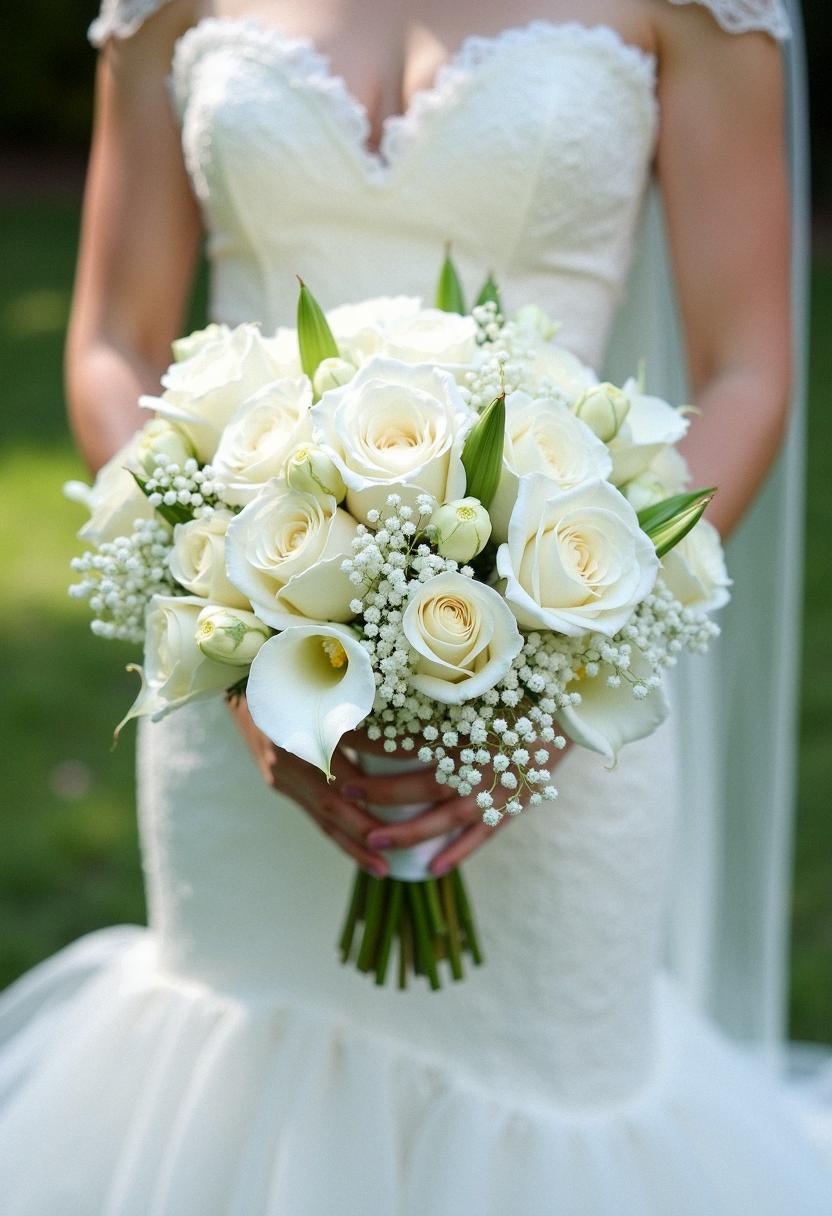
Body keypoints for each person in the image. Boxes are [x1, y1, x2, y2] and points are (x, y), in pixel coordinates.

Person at [0, 1, 828, 1211]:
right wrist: (233, 639)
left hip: (555, 697)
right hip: (237, 669)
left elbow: (748, 363)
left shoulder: (703, 10)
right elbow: (115, 340)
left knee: (544, 1117)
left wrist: (554, 666)